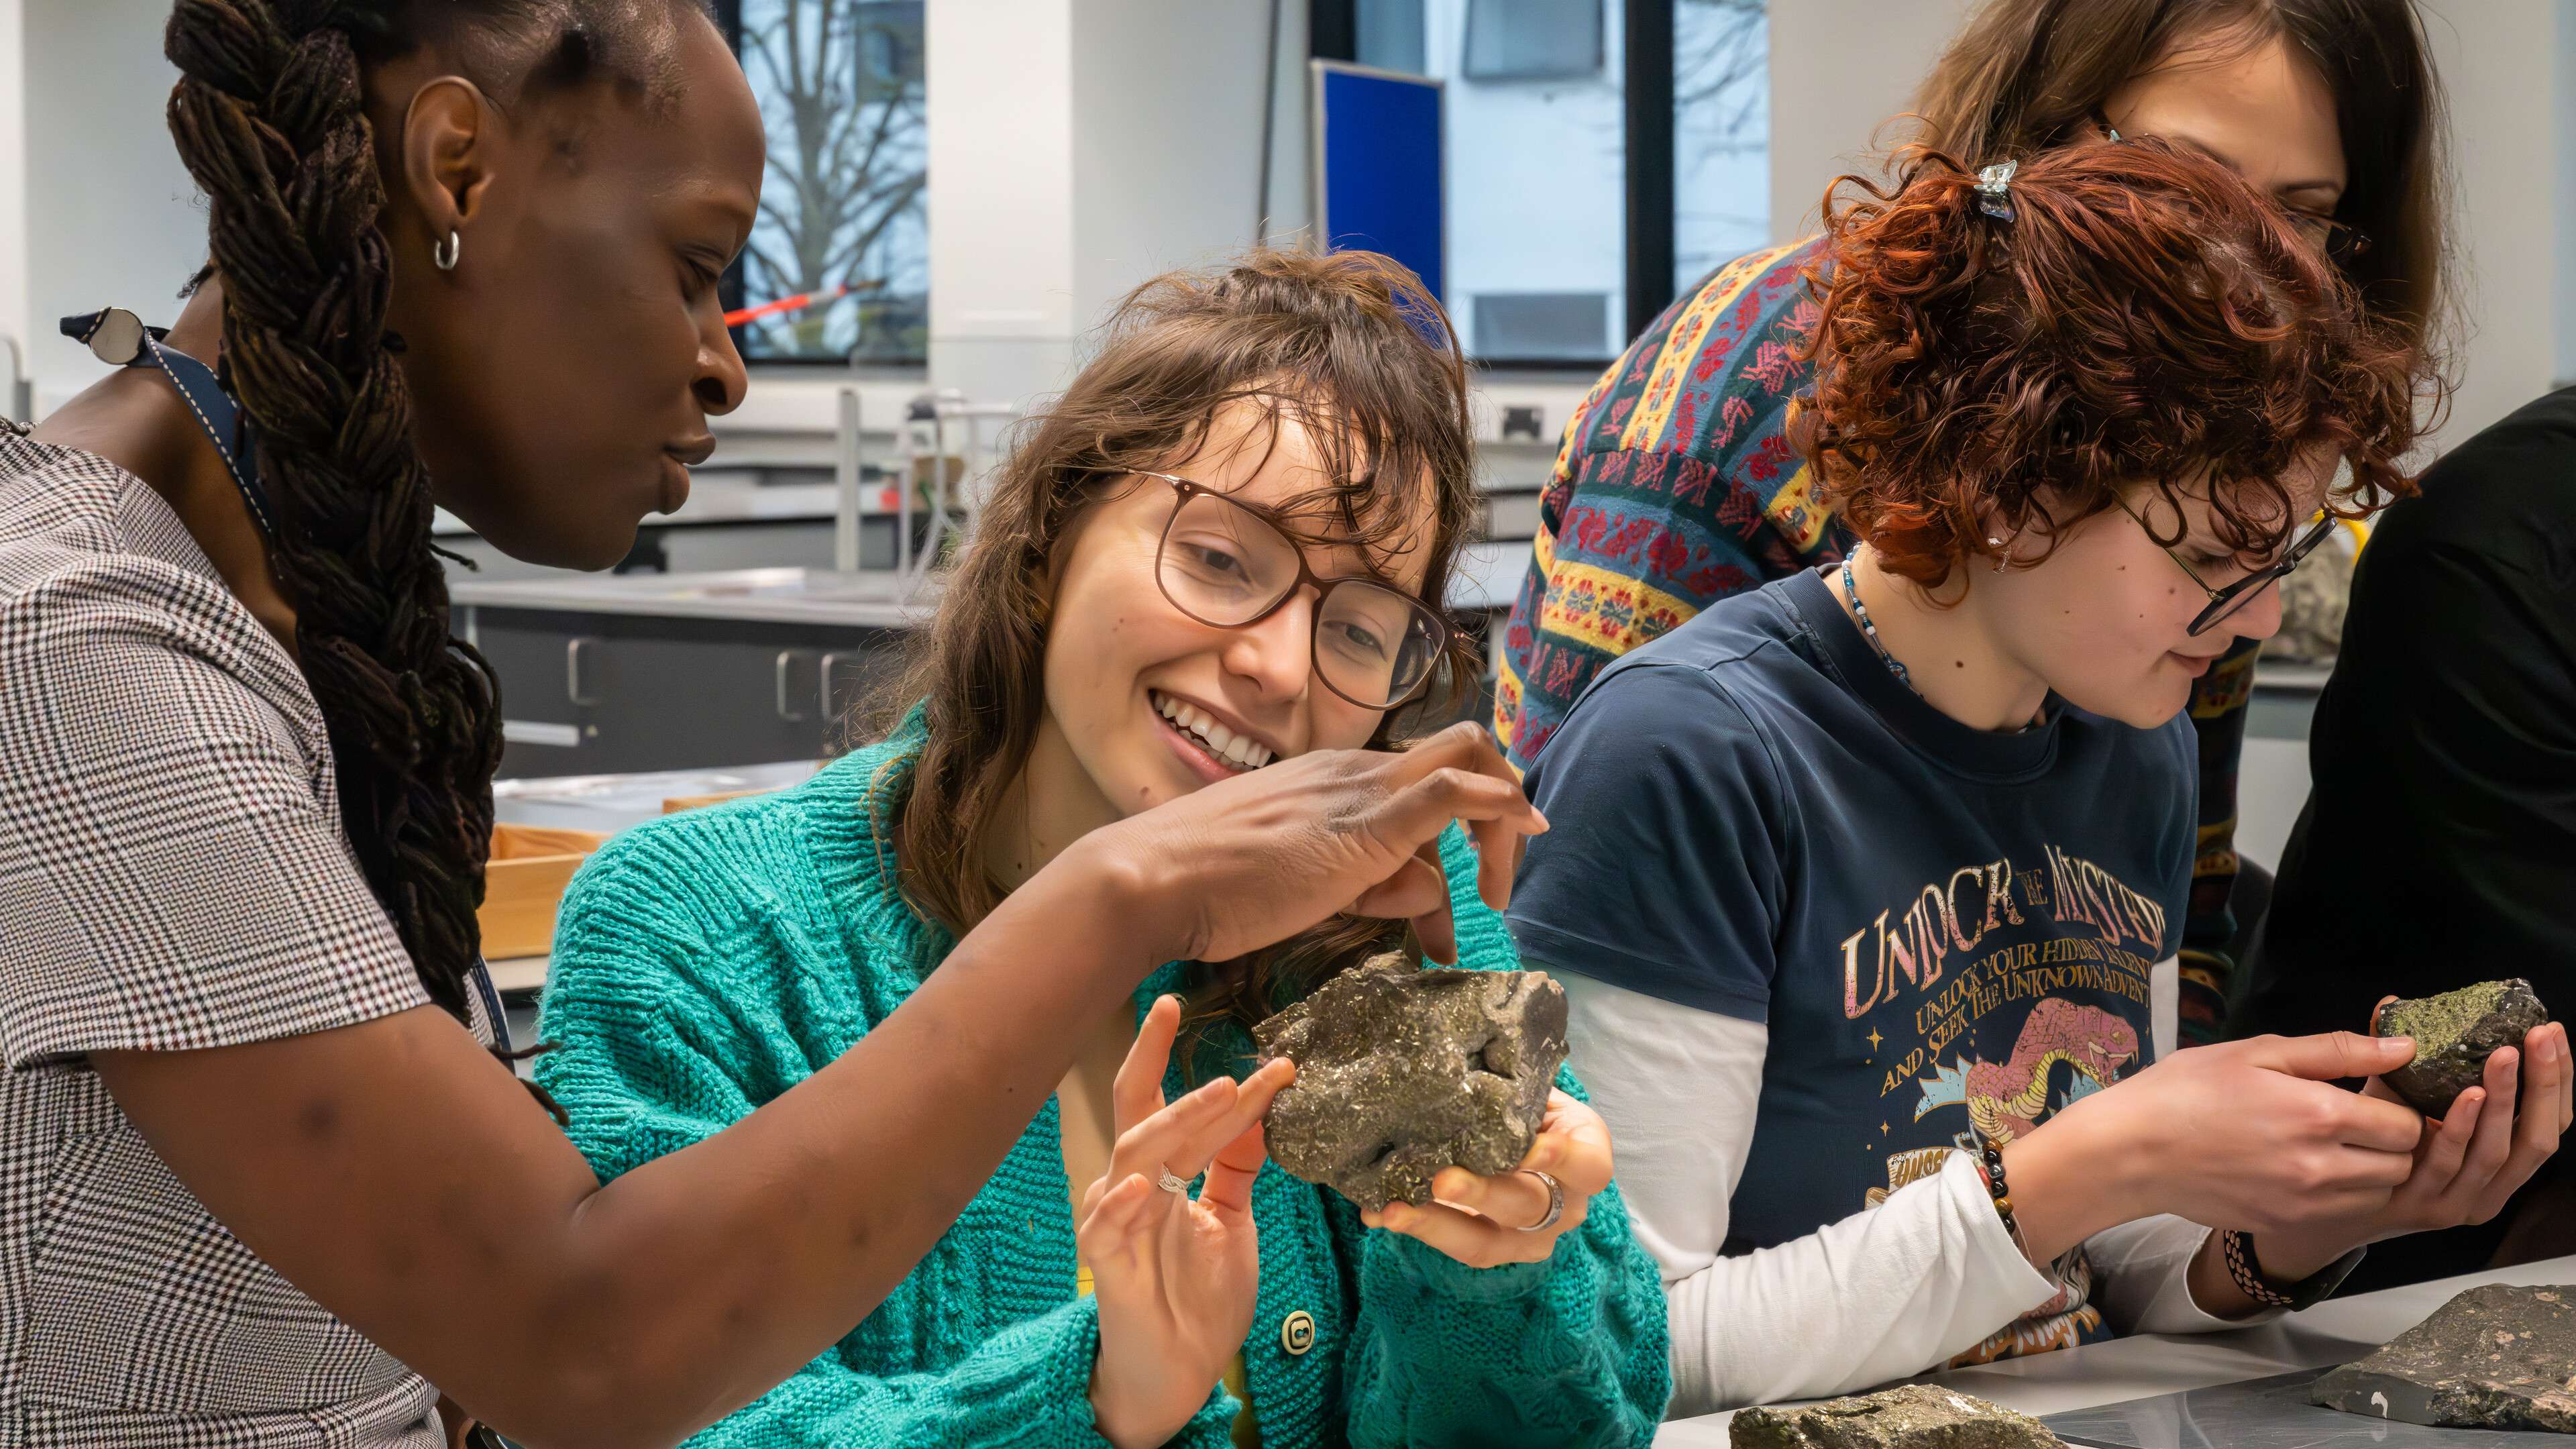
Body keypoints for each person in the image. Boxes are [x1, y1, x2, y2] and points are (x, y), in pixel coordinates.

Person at [0, 6, 1543, 1447]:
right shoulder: (69, 635)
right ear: (455, 166)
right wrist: (1140, 888)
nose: (728, 360)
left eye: (1355, 618)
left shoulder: (260, 613)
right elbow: (578, 1339)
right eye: (694, 268)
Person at [533, 250, 1670, 1449]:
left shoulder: (1399, 914)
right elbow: (638, 1419)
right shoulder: (702, 929)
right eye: (1222, 558)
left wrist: (1488, 1266)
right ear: (1043, 544)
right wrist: (1102, 1394)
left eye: (1358, 625)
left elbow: (1598, 1414)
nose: (1280, 668)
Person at [1504, 138, 2568, 1417]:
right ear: (2012, 484)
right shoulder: (1691, 757)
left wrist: (2285, 1230)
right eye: (2223, 555)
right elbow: (1637, 1346)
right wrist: (2087, 1162)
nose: (2256, 618)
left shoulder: (2139, 746)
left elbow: (2109, 1272)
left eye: (2283, 554)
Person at [1495, 0, 2449, 1046]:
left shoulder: (2200, 514)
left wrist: (2213, 1183)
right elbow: (1574, 890)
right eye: (2190, 183)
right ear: (2043, 131)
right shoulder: (1739, 397)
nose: (2245, 267)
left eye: (2301, 214)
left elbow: (2179, 906)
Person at [2235, 384, 2576, 1291]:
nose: (2259, 625)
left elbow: (2144, 1277)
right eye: (2215, 558)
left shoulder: (2130, 776)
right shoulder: (2497, 549)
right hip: (2417, 1218)